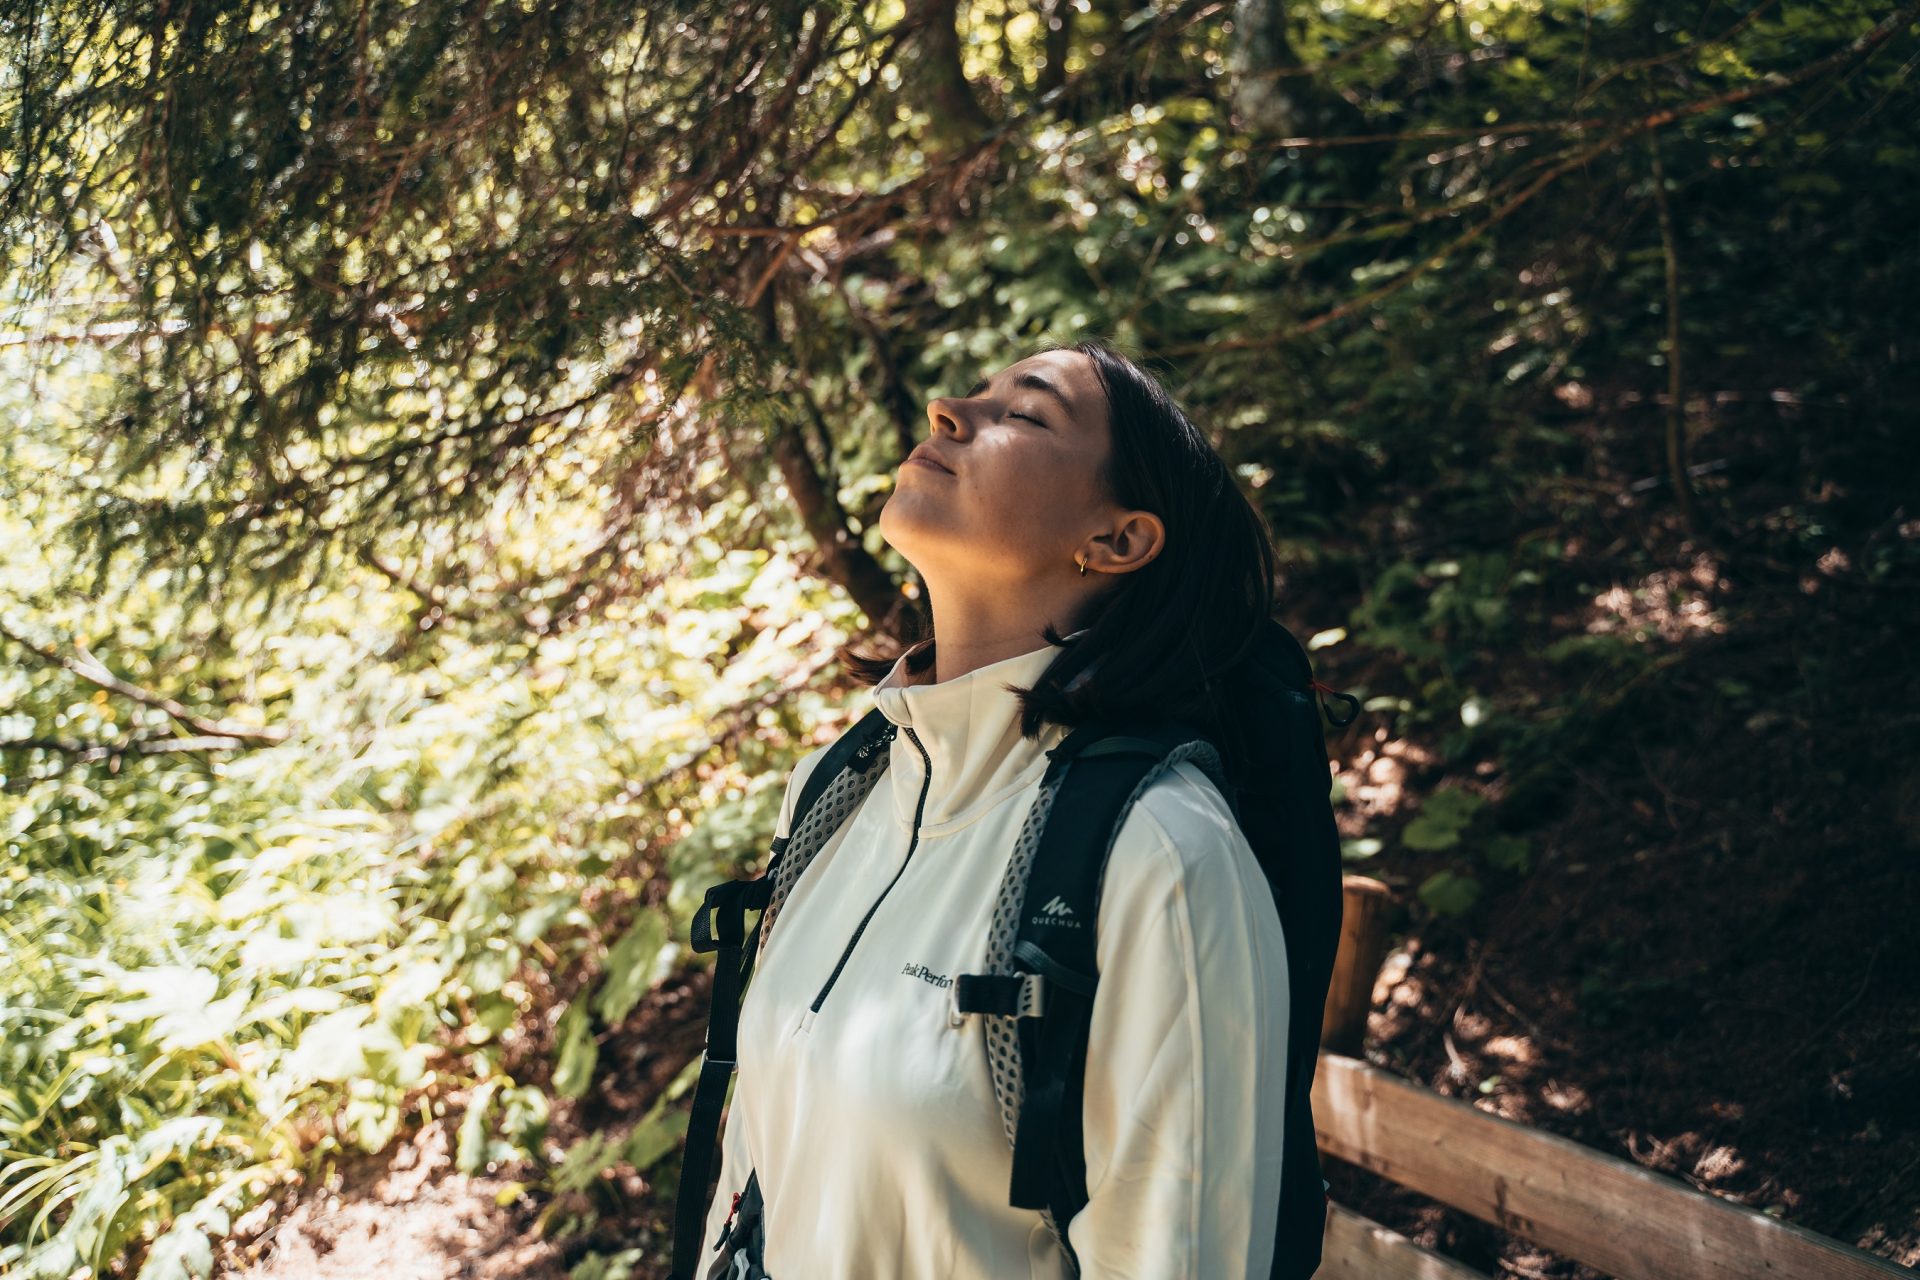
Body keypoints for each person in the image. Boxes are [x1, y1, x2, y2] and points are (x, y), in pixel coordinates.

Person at [698, 337, 1295, 1277]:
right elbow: (753, 1171)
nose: (949, 409)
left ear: (1118, 541)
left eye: (1024, 412)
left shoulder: (1161, 855)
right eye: (976, 392)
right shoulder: (838, 791)